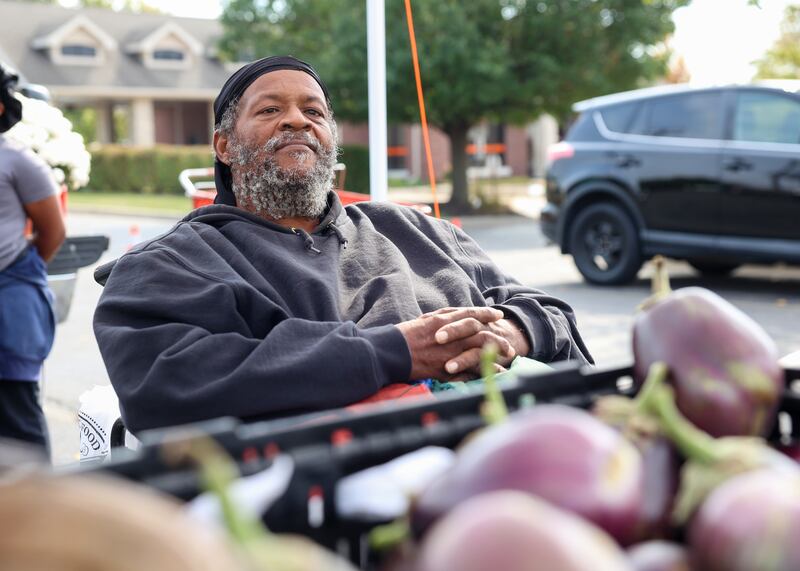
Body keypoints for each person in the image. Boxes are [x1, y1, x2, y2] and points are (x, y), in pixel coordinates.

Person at [94, 56, 592, 434]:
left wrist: (508, 333)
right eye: (270, 109)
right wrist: (395, 352)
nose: (297, 121)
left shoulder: (414, 228)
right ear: (224, 146)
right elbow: (164, 384)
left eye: (313, 111)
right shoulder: (170, 264)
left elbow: (553, 315)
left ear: (331, 138)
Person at [0, 64, 66, 452]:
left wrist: (16, 270)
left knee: (16, 416)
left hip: (10, 300)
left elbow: (52, 231)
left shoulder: (17, 161)